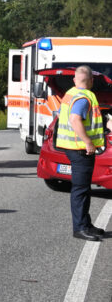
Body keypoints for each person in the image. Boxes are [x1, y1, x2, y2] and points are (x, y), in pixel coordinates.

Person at [55, 66, 105, 241]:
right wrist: (88, 142)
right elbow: (75, 119)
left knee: (83, 189)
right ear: (91, 80)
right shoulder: (84, 97)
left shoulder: (71, 93)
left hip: (72, 147)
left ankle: (86, 224)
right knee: (81, 190)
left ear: (75, 80)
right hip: (79, 149)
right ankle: (80, 227)